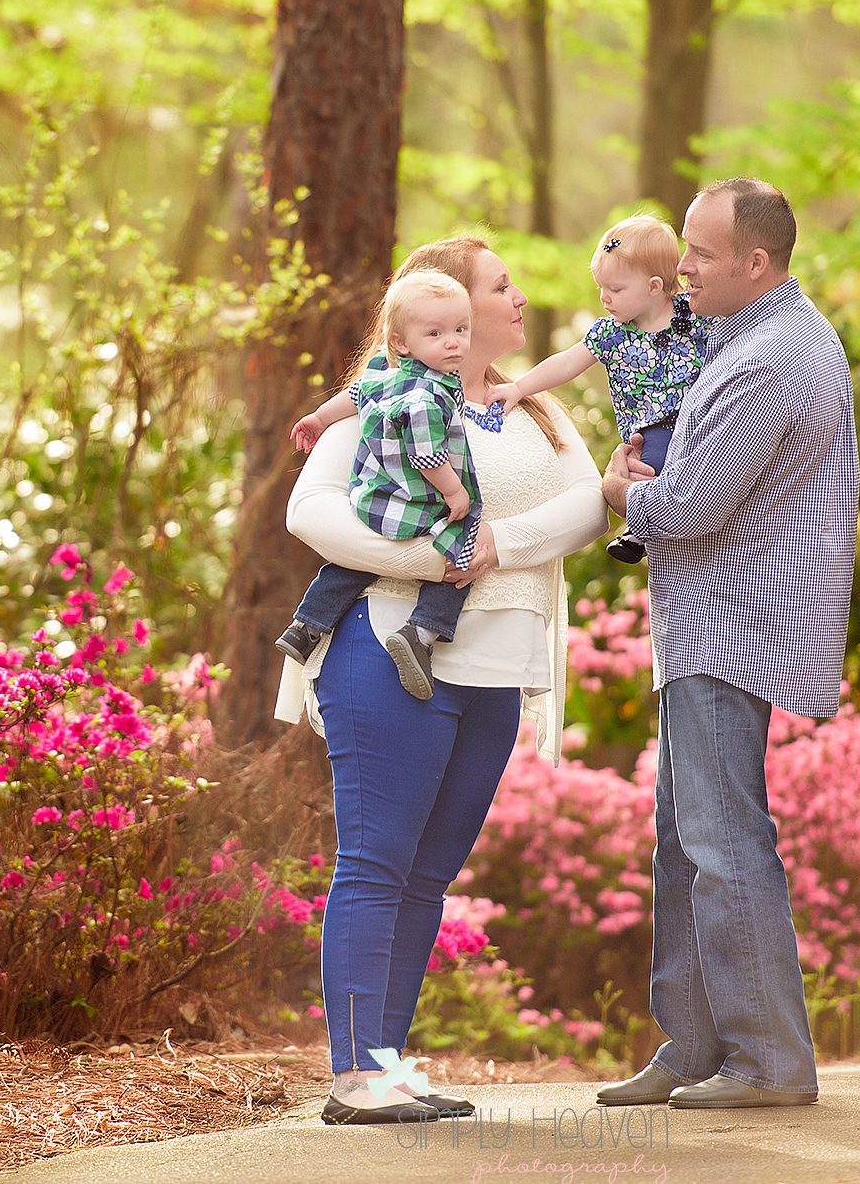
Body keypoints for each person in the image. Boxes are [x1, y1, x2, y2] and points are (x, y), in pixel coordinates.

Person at [274, 236, 609, 1126]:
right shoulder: (386, 392)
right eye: (501, 286)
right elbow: (311, 509)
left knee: (428, 875)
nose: (520, 297)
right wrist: (431, 556)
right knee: (378, 863)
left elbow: (592, 498)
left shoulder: (535, 406)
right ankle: (356, 1076)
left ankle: (387, 1067)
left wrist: (499, 546)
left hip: (495, 666)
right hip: (389, 652)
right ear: (441, 311)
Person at [593, 177, 857, 1111]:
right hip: (707, 622)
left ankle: (768, 1060)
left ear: (756, 262)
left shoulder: (772, 359)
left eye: (699, 254)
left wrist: (622, 491)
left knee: (723, 839)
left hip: (730, 625)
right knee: (683, 841)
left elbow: (695, 505)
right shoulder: (749, 335)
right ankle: (694, 1043)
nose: (682, 265)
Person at [276, 270, 485, 700]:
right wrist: (454, 492)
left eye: (461, 330)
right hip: (416, 505)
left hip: (373, 501)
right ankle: (421, 633)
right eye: (436, 333)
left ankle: (307, 625)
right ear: (402, 343)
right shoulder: (428, 396)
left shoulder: (382, 375)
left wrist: (318, 417)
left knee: (353, 563)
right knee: (463, 551)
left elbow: (354, 394)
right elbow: (428, 456)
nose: (453, 342)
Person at [484, 215, 713, 563]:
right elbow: (566, 363)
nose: (605, 298)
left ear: (654, 286)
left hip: (700, 416)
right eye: (601, 288)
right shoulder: (611, 333)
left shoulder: (694, 316)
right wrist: (518, 387)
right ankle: (639, 531)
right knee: (651, 465)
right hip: (650, 430)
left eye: (616, 290)